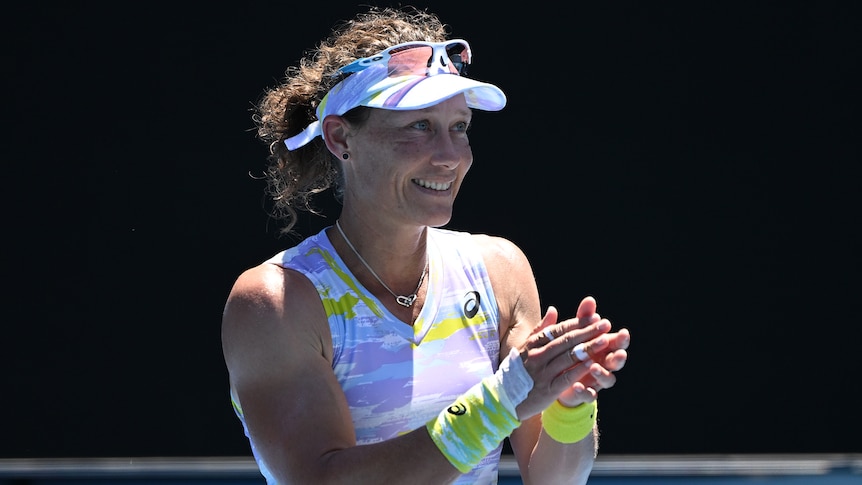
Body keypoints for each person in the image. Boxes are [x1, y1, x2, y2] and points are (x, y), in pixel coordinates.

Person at [221, 6, 631, 484]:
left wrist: (567, 405)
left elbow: (553, 480)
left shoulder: (501, 269)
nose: (451, 157)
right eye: (419, 126)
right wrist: (505, 398)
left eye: (459, 127)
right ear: (340, 138)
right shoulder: (275, 303)